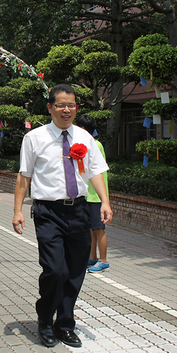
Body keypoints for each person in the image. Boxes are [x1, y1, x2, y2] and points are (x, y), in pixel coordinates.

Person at [12, 84, 112, 349]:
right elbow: (24, 175)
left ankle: (65, 324)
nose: (66, 110)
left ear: (76, 108)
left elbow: (96, 172)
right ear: (50, 107)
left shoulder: (84, 137)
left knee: (76, 271)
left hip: (78, 209)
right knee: (55, 270)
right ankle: (45, 319)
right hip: (48, 211)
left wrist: (105, 202)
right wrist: (17, 210)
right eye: (60, 105)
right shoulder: (34, 138)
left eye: (71, 105)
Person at [75, 115, 110, 273]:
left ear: (83, 129)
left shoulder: (95, 145)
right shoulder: (82, 145)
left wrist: (104, 200)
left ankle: (103, 260)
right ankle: (92, 257)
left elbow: (98, 172)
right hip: (86, 194)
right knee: (90, 229)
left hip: (96, 196)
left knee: (98, 228)